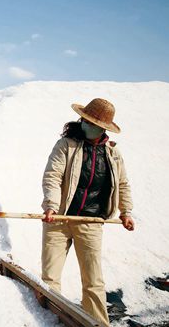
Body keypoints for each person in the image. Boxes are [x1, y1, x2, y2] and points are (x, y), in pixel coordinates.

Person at [41, 98, 134, 326]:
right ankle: (48, 321)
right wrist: (51, 205)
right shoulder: (66, 145)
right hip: (59, 218)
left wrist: (126, 211)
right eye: (86, 121)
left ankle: (98, 323)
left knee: (93, 281)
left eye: (93, 123)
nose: (87, 125)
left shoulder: (112, 153)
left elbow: (122, 184)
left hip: (90, 221)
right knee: (50, 278)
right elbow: (52, 176)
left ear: (103, 128)